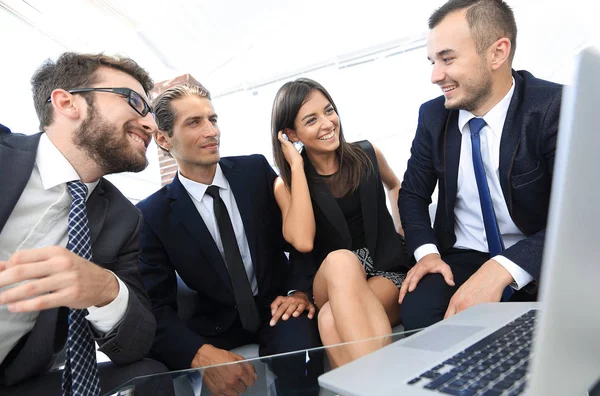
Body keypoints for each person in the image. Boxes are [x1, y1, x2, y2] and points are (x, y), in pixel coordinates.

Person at [137, 83, 323, 395]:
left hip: (278, 309)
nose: (212, 131)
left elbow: (299, 237)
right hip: (214, 325)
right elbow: (155, 305)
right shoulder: (152, 214)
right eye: (195, 122)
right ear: (163, 138)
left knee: (302, 360)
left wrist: (299, 291)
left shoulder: (255, 171)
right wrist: (198, 352)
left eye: (213, 119)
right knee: (153, 370)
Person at [0, 53, 165, 395]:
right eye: (135, 102)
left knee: (151, 376)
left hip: (11, 381)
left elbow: (136, 343)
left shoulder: (124, 219)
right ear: (66, 102)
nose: (151, 124)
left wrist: (106, 289)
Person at [398, 0, 563, 331]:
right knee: (420, 308)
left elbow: (583, 213)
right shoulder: (432, 117)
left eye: (447, 59)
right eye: (432, 62)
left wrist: (504, 267)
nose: (435, 76)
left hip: (543, 248)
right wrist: (427, 254)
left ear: (497, 53)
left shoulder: (554, 108)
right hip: (466, 253)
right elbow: (412, 195)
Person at [271, 78, 410, 367]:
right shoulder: (285, 185)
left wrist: (403, 229)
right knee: (340, 261)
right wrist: (297, 166)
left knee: (330, 318)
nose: (327, 123)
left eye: (329, 111)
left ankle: (371, 386)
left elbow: (395, 185)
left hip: (386, 272)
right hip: (331, 281)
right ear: (290, 134)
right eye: (311, 120)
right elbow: (304, 240)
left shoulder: (368, 154)